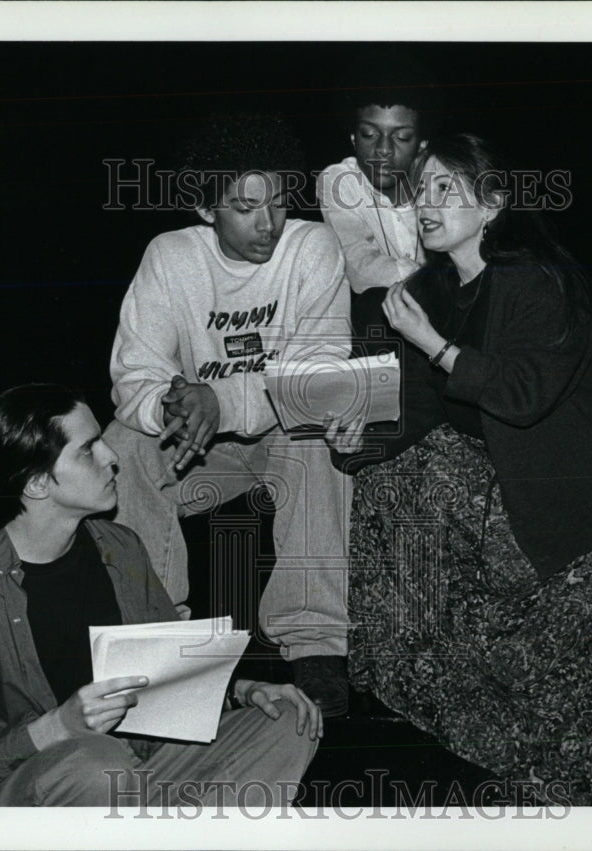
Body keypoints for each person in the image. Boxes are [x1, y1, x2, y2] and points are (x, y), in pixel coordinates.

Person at [326, 134, 592, 805]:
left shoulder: (533, 278)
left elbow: (522, 395)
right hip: (504, 491)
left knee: (580, 698)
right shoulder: (425, 290)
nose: (426, 201)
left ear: (494, 203)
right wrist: (354, 437)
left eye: (448, 186)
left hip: (580, 504)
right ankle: (413, 683)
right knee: (388, 475)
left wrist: (433, 343)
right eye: (422, 189)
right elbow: (413, 410)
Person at [0, 384, 321, 806]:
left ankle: (160, 830)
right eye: (88, 449)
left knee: (290, 717)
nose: (112, 457)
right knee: (97, 762)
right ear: (37, 483)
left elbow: (169, 684)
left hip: (137, 771)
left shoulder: (121, 547)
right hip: (41, 790)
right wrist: (58, 726)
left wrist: (244, 691)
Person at [102, 113, 353, 717]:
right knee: (126, 446)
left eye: (276, 203)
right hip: (206, 449)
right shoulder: (169, 257)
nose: (267, 223)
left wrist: (224, 400)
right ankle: (159, 643)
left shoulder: (312, 249)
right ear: (208, 209)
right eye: (244, 207)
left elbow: (319, 376)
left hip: (279, 440)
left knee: (316, 435)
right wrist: (169, 404)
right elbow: (134, 371)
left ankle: (315, 645)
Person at [316, 72, 438, 293]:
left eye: (401, 137)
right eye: (369, 134)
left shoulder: (440, 181)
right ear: (353, 139)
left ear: (421, 145)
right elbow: (361, 269)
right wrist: (433, 281)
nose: (384, 149)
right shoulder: (340, 181)